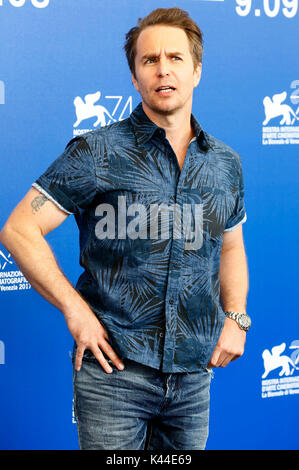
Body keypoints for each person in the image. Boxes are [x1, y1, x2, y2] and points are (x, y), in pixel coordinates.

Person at [0, 7, 250, 450]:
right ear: (135, 78)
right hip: (114, 374)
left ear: (197, 71)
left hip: (194, 380)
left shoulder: (225, 164)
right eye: (149, 60)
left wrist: (236, 318)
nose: (163, 69)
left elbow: (230, 246)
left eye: (175, 58)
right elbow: (19, 228)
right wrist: (75, 311)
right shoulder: (96, 152)